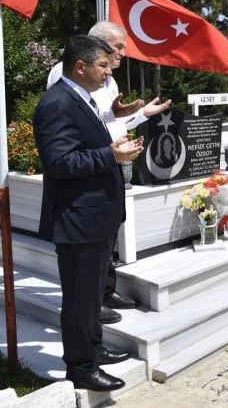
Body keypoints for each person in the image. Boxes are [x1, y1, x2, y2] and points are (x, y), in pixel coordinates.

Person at [34, 35, 144, 391]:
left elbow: (84, 147)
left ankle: (93, 351)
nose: (108, 70)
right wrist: (110, 156)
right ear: (80, 67)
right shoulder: (57, 103)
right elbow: (58, 162)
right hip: (77, 219)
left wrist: (113, 149)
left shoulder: (80, 98)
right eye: (103, 64)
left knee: (92, 295)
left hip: (95, 217)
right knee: (81, 299)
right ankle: (81, 368)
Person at [46, 21, 170, 322]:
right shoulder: (64, 79)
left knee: (109, 231)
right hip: (90, 172)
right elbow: (75, 129)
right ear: (96, 46)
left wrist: (138, 115)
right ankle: (91, 303)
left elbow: (107, 123)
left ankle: (104, 289)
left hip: (112, 162)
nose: (122, 55)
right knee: (90, 245)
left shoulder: (107, 80)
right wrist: (109, 149)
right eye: (117, 48)